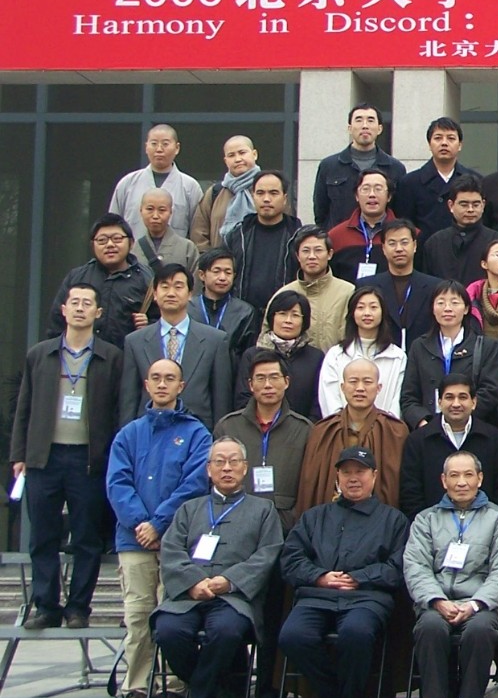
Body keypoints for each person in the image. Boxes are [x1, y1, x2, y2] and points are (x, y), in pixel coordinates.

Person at [104, 358, 212, 698]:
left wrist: (160, 523)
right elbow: (117, 483)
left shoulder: (197, 434)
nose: (162, 384)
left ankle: (172, 688)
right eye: (156, 378)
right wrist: (141, 524)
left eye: (170, 378)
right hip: (133, 540)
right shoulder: (129, 434)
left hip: (177, 540)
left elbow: (195, 483)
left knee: (172, 614)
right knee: (137, 614)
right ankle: (138, 688)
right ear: (146, 385)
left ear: (182, 386)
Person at [151, 437, 283, 698]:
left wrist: (229, 580)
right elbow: (171, 551)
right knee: (168, 631)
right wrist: (193, 582)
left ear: (245, 468)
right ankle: (217, 695)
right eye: (219, 462)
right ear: (208, 469)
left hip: (233, 597)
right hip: (188, 595)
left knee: (226, 631)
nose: (227, 468)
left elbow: (267, 555)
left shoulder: (264, 510)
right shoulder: (189, 509)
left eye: (234, 462)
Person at [278, 446, 411, 698]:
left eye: (360, 472)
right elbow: (290, 559)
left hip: (367, 598)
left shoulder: (393, 520)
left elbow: (397, 567)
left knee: (356, 633)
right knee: (292, 636)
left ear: (374, 476)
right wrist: (319, 577)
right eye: (346, 472)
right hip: (317, 596)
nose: (353, 478)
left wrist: (359, 578)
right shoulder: (314, 517)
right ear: (337, 477)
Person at [12, 284, 122, 631]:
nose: (79, 308)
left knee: (86, 538)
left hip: (88, 459)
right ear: (63, 309)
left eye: (87, 303)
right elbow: (24, 408)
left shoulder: (111, 357)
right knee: (43, 536)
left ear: (97, 313)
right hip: (43, 457)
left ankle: (78, 608)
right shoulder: (40, 354)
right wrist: (19, 455)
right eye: (74, 302)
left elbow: (118, 410)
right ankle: (46, 605)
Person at [402, 448, 498, 698]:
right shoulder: (426, 519)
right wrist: (437, 600)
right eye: (454, 475)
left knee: (479, 630)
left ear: (480, 478)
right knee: (430, 627)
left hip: (482, 604)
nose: (462, 482)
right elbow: (415, 565)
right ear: (444, 481)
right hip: (437, 602)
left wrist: (476, 604)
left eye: (468, 475)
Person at [118, 262, 232, 428]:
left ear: (190, 294)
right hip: (149, 431)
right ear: (155, 294)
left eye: (178, 287)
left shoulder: (215, 340)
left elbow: (221, 399)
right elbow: (129, 399)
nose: (171, 293)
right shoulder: (135, 341)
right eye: (165, 287)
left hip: (197, 432)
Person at [214, 348, 314, 533]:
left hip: (286, 525)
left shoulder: (304, 429)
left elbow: (309, 485)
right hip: (235, 521)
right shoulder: (228, 426)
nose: (268, 385)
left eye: (274, 377)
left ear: (286, 382)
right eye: (260, 378)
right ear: (251, 385)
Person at [295, 358, 409, 513]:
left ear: (378, 388)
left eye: (367, 382)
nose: (360, 388)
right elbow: (309, 485)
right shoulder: (323, 430)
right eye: (353, 382)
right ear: (342, 387)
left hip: (379, 520)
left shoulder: (394, 430)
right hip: (330, 518)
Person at [398, 280, 498, 429]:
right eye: (441, 303)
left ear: (466, 309)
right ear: (433, 309)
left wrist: (460, 420)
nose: (447, 308)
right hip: (429, 429)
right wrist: (423, 423)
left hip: (471, 428)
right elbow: (409, 396)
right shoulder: (419, 346)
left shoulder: (485, 346)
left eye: (454, 303)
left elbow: (490, 392)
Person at [399, 374, 498, 518]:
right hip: (432, 526)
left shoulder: (494, 439)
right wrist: (427, 525)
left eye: (463, 397)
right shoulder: (418, 440)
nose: (456, 404)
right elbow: (410, 493)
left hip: (485, 526)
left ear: (474, 402)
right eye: (449, 397)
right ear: (439, 402)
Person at [46, 214, 152, 349]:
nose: (110, 245)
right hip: (83, 356)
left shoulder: (146, 278)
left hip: (127, 357)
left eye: (117, 239)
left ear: (131, 243)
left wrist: (148, 325)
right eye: (102, 240)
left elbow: (163, 321)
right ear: (93, 245)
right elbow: (57, 321)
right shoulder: (77, 277)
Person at [312, 103, 407, 230]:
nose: (365, 125)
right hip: (341, 238)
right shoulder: (329, 166)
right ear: (350, 128)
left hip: (382, 238)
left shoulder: (395, 168)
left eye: (370, 120)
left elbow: (400, 211)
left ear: (379, 129)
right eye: (359, 120)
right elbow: (320, 212)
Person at [317, 287, 407, 420]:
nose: (367, 313)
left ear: (383, 312)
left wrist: (383, 427)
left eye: (373, 307)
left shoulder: (397, 357)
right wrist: (342, 426)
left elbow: (397, 402)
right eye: (360, 307)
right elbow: (329, 400)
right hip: (341, 429)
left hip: (385, 429)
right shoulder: (336, 355)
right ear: (352, 313)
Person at [109, 124, 204, 241]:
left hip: (175, 252)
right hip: (134, 251)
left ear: (177, 148)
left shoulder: (190, 187)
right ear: (146, 147)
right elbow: (113, 225)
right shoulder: (127, 183)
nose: (159, 149)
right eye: (154, 144)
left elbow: (198, 231)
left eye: (165, 144)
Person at [267, 226, 355, 352]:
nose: (312, 256)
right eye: (306, 251)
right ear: (297, 256)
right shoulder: (283, 294)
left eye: (318, 250)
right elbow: (266, 339)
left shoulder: (347, 292)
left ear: (329, 254)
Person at [395, 117, 481, 243]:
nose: (444, 143)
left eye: (451, 138)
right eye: (438, 138)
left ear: (460, 145)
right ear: (429, 144)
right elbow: (404, 225)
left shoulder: (475, 180)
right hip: (424, 251)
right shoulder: (409, 183)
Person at [226, 170, 302, 311]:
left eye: (273, 193)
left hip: (285, 314)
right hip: (242, 314)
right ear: (253, 196)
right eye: (260, 193)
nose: (266, 199)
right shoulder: (237, 235)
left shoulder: (298, 237)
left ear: (285, 198)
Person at [360, 219, 442, 349]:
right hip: (379, 354)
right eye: (392, 243)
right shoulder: (367, 286)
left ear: (414, 246)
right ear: (383, 248)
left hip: (423, 355)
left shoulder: (435, 287)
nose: (399, 249)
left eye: (404, 242)